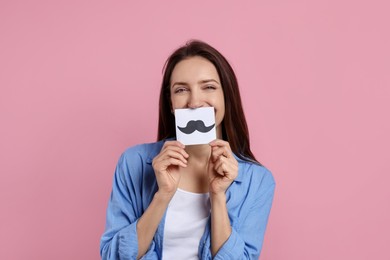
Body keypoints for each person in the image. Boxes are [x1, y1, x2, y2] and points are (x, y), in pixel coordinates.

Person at [100, 40, 275, 259]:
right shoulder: (133, 163)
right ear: (171, 103)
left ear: (226, 96)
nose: (194, 102)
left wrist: (217, 196)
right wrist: (162, 195)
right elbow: (113, 256)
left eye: (209, 87)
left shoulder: (258, 181)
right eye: (181, 90)